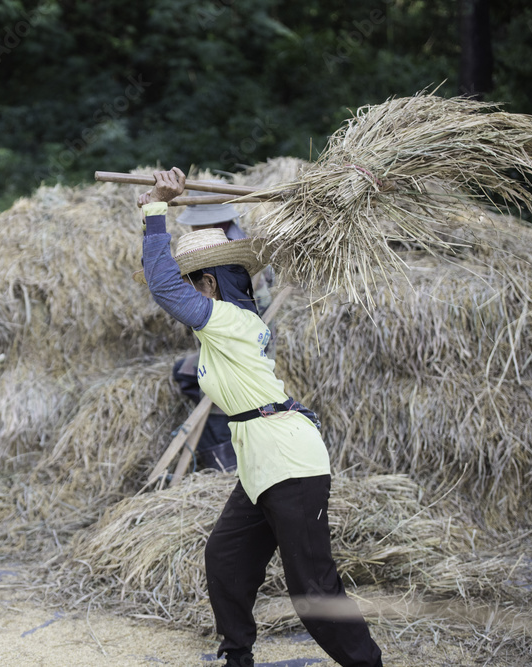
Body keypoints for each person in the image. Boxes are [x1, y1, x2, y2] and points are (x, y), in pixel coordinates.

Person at [136, 168, 383, 667]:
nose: (186, 297)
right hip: (260, 461)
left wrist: (155, 209)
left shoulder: (226, 320)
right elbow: (179, 284)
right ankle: (237, 659)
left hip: (287, 458)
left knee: (312, 587)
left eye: (194, 285)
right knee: (226, 558)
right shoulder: (233, 323)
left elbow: (163, 287)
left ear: (209, 282)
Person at [172, 184, 277, 473]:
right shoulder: (230, 239)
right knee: (189, 373)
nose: (192, 226)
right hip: (236, 332)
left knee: (214, 394)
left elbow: (247, 309)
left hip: (242, 337)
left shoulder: (228, 251)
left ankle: (225, 464)